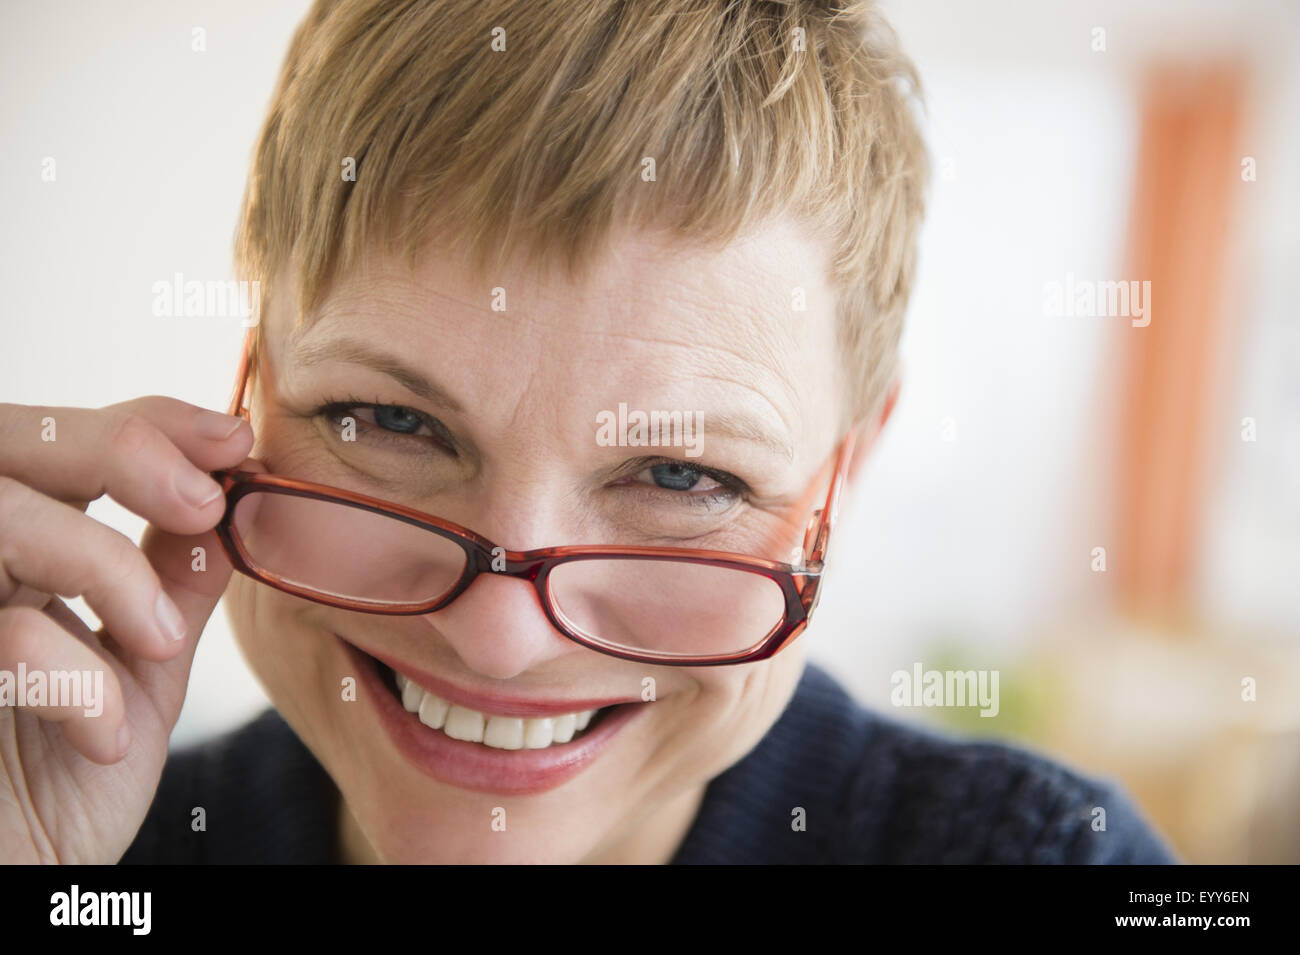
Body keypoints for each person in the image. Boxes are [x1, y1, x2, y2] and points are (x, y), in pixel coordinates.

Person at [0, 0, 1175, 864]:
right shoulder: (89, 850)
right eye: (389, 420)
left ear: (846, 471)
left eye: (680, 474)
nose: (499, 640)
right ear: (247, 390)